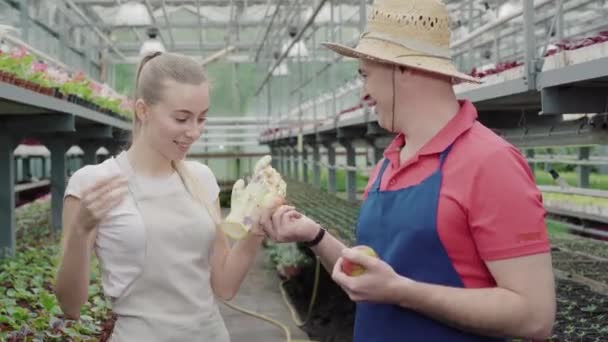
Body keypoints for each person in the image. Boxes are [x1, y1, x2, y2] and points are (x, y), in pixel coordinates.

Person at [261, 0, 556, 341]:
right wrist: (314, 236)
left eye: (365, 75)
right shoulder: (389, 162)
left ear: (403, 68)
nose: (364, 93)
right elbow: (372, 279)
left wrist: (401, 291)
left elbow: (534, 317)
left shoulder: (490, 162)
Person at [55, 52, 271, 341]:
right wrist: (81, 232)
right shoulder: (93, 183)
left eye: (202, 118)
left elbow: (224, 286)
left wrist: (255, 231)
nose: (194, 132)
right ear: (143, 110)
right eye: (182, 118)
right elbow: (71, 306)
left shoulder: (201, 178)